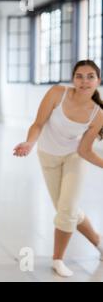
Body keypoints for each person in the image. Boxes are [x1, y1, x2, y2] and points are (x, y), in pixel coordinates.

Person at [13, 60, 103, 277]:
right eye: (79, 76)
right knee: (67, 209)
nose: (84, 81)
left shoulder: (98, 114)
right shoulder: (57, 93)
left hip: (74, 158)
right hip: (47, 156)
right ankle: (100, 243)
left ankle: (58, 259)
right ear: (73, 79)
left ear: (98, 81)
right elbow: (38, 124)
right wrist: (29, 143)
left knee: (66, 209)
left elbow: (85, 151)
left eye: (90, 76)